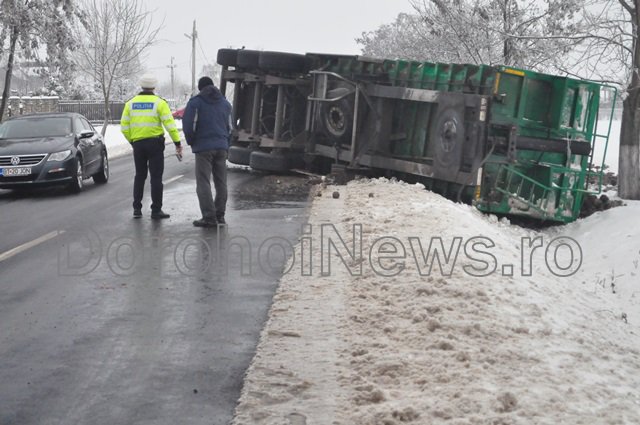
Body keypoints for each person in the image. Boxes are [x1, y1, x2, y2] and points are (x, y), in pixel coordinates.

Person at [121, 74, 183, 219]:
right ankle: (156, 210)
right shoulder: (159, 103)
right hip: (155, 144)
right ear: (154, 87)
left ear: (141, 86)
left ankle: (137, 209)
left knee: (140, 176)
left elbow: (124, 127)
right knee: (156, 177)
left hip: (138, 144)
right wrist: (177, 143)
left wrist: (133, 141)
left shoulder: (130, 104)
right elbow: (170, 126)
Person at [182, 76, 232, 227]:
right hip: (222, 146)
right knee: (221, 182)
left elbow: (188, 125)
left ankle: (209, 217)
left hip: (203, 147)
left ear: (200, 88)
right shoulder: (225, 104)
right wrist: (226, 144)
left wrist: (192, 141)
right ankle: (220, 215)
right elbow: (231, 128)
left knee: (203, 181)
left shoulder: (195, 103)